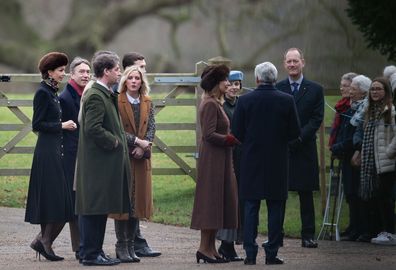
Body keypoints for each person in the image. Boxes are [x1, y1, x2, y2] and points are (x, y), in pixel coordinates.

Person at [232, 62, 300, 265]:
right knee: (276, 207)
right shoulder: (287, 100)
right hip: (277, 160)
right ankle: (271, 252)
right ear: (275, 78)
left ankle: (250, 252)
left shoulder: (244, 101)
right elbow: (295, 132)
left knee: (251, 206)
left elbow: (236, 131)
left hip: (251, 159)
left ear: (257, 79)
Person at [75, 51, 131, 266]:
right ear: (106, 71)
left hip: (103, 165)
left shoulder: (105, 93)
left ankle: (96, 251)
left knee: (99, 209)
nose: (120, 73)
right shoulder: (96, 95)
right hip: (97, 165)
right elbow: (93, 129)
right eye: (117, 69)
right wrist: (115, 141)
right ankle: (90, 254)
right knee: (93, 209)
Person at [24, 52, 76, 261]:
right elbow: (37, 125)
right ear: (50, 71)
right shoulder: (43, 93)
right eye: (61, 70)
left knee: (61, 202)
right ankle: (44, 242)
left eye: (64, 69)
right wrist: (61, 125)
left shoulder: (52, 91)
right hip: (47, 152)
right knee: (53, 199)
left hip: (56, 150)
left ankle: (42, 241)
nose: (64, 73)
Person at [191, 64, 239, 264]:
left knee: (218, 202)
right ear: (215, 83)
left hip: (220, 159)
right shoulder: (210, 104)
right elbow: (209, 134)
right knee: (210, 204)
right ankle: (204, 248)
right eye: (225, 80)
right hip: (213, 160)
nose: (228, 83)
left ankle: (211, 248)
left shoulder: (214, 102)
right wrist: (230, 139)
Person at [276, 47, 324, 248]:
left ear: (303, 62)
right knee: (279, 194)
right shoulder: (278, 88)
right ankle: (276, 235)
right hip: (283, 149)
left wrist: (298, 138)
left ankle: (308, 235)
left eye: (296, 61)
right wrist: (287, 140)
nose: (292, 65)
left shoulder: (315, 89)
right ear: (284, 64)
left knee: (306, 194)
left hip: (304, 149)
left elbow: (316, 119)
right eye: (289, 61)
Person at [117, 52, 161, 258]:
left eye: (138, 78)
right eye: (131, 78)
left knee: (137, 202)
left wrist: (145, 145)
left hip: (141, 157)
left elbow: (152, 125)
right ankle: (122, 246)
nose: (135, 81)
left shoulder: (147, 101)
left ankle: (133, 246)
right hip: (123, 156)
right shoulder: (117, 100)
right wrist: (134, 142)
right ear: (125, 80)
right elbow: (116, 128)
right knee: (124, 202)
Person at [330, 75, 370, 241]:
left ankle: (361, 228)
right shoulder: (351, 109)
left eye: (353, 89)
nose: (350, 92)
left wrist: (340, 146)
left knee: (358, 193)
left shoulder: (363, 110)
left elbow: (355, 135)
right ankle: (354, 226)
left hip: (357, 156)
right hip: (347, 156)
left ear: (362, 92)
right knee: (350, 193)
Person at [59, 57, 91, 260]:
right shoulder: (65, 98)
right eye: (81, 72)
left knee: (80, 201)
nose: (86, 75)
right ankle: (79, 247)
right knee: (74, 202)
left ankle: (43, 241)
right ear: (72, 74)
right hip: (71, 157)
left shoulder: (86, 94)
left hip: (85, 155)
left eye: (88, 72)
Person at [358, 77, 396, 245]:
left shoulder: (390, 111)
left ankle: (390, 232)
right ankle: (382, 230)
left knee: (385, 198)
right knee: (378, 197)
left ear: (386, 92)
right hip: (373, 162)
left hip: (387, 162)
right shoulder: (370, 112)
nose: (374, 92)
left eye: (378, 89)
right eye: (372, 89)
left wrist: (389, 152)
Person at [216, 70, 244, 262]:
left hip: (243, 157)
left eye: (238, 84)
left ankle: (231, 243)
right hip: (227, 155)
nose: (234, 87)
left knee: (240, 201)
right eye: (231, 83)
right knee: (228, 201)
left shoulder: (242, 105)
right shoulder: (221, 106)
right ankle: (225, 245)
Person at [328, 72, 357, 149]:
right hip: (339, 145)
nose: (341, 88)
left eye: (345, 86)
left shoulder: (355, 106)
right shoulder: (341, 105)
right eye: (341, 85)